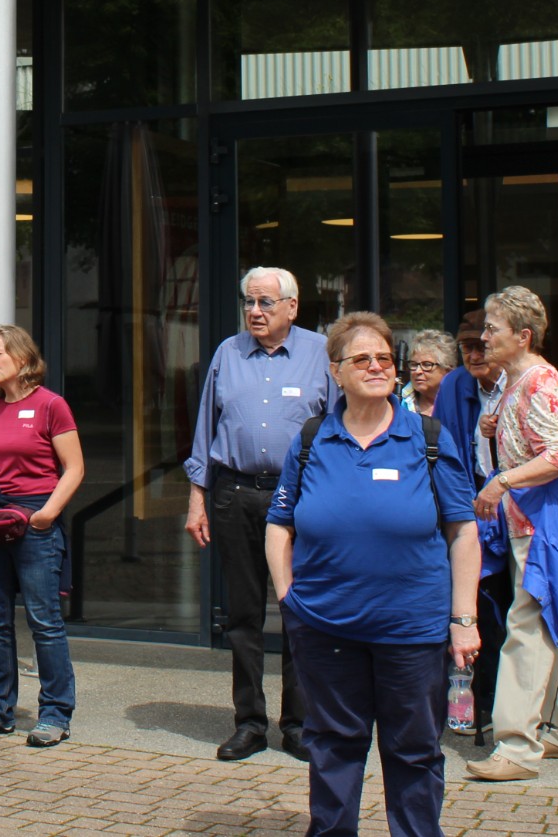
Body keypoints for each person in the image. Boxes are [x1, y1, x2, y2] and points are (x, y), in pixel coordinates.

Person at [266, 311, 481, 837]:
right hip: (325, 627)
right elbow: (279, 524)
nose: (377, 366)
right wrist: (289, 598)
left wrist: (464, 619)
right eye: (362, 359)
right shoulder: (312, 439)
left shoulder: (428, 439)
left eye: (385, 357)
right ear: (335, 371)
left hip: (411, 631)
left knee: (414, 750)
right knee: (332, 745)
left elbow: (463, 533)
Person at [183, 265, 334, 763]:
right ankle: (249, 722)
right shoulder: (228, 353)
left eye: (265, 302)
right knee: (243, 615)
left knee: (300, 610)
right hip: (236, 494)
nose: (254, 311)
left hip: (302, 499)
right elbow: (206, 430)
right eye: (248, 301)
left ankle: (299, 723)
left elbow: (340, 428)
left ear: (292, 306)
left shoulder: (320, 353)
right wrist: (198, 498)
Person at [465, 285, 558, 783]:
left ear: (523, 336)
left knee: (528, 625)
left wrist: (502, 481)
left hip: (543, 523)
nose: (483, 338)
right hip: (536, 520)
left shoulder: (539, 381)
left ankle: (516, 747)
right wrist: (495, 431)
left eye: (492, 328)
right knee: (546, 618)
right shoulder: (517, 381)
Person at [0, 323, 85, 747]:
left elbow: (74, 468)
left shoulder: (51, 405)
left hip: (35, 519)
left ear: (21, 357)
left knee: (44, 621)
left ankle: (55, 712)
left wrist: (47, 515)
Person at [433, 311, 512, 743]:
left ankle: (515, 708)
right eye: (466, 347)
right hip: (473, 515)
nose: (474, 354)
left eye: (481, 345)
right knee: (478, 609)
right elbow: (445, 454)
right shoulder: (454, 385)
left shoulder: (527, 379)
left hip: (521, 514)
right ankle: (480, 701)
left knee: (521, 614)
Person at [401, 330, 458, 417]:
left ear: (447, 370)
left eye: (427, 365)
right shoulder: (398, 402)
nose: (417, 371)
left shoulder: (461, 402)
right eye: (414, 364)